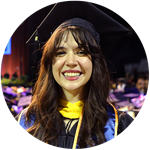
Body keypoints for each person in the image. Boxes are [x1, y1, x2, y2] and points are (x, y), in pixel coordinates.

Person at [15, 1, 134, 149]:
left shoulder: (119, 125)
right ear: (50, 62)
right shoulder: (25, 122)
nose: (71, 61)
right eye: (61, 52)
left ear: (95, 63)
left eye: (81, 52)